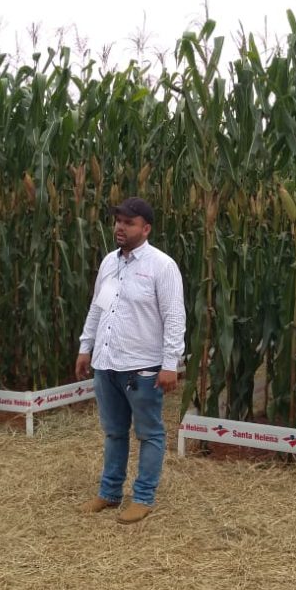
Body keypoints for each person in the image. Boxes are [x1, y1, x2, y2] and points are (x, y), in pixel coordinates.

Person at [76, 197, 186, 524]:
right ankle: (109, 493)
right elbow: (98, 308)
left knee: (149, 433)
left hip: (142, 367)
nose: (120, 227)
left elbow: (174, 317)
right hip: (107, 363)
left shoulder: (161, 266)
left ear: (146, 228)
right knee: (113, 432)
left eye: (129, 222)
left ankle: (143, 497)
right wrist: (86, 347)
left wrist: (170, 364)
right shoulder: (110, 262)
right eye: (118, 221)